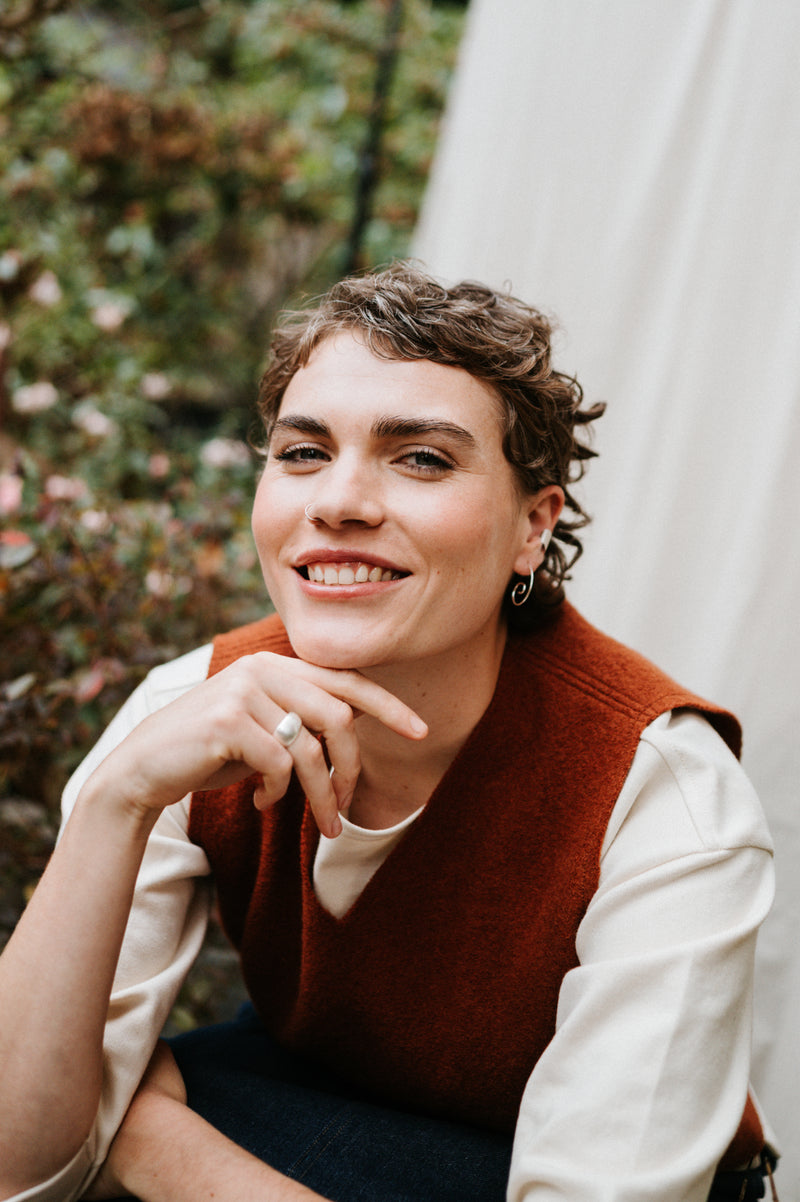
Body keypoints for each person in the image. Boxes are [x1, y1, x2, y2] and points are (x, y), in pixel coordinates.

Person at [0, 263, 778, 1202]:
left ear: (533, 526)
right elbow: (21, 1171)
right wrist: (116, 802)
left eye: (421, 458)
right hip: (315, 1115)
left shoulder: (661, 790)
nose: (339, 501)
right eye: (302, 452)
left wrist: (152, 1138)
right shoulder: (194, 706)